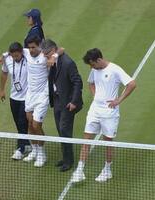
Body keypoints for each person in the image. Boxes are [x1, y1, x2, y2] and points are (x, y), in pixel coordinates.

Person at [71, 48, 136, 183]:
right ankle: (79, 170)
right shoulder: (94, 70)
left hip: (109, 113)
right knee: (86, 139)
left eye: (93, 64)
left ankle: (107, 170)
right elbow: (90, 83)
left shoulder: (115, 70)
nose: (92, 67)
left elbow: (132, 84)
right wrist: (96, 96)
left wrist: (119, 100)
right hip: (95, 110)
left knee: (108, 141)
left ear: (99, 60)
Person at [41, 39, 83, 172]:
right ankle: (65, 157)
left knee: (65, 130)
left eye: (47, 54)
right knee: (60, 130)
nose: (45, 57)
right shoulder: (54, 60)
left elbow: (78, 82)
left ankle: (69, 161)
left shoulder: (68, 63)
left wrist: (74, 102)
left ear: (53, 51)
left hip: (67, 102)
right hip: (57, 100)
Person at [21, 35, 51, 167]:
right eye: (29, 47)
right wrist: (3, 56)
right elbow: (12, 51)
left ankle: (42, 154)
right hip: (30, 95)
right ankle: (35, 150)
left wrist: (54, 57)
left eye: (33, 47)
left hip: (42, 96)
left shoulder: (45, 56)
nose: (31, 50)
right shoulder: (26, 52)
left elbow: (61, 49)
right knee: (29, 124)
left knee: (36, 125)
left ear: (39, 46)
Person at [0, 42, 30, 160]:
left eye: (17, 56)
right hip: (14, 97)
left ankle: (21, 148)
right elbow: (4, 73)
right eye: (13, 56)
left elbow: (31, 49)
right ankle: (26, 143)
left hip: (26, 97)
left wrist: (4, 53)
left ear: (21, 52)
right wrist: (1, 90)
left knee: (22, 122)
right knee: (18, 122)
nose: (15, 58)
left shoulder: (27, 55)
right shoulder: (8, 59)